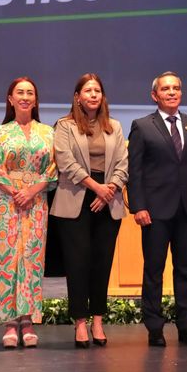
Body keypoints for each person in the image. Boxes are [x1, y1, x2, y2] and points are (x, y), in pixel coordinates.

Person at [127, 71, 187, 347]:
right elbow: (136, 170)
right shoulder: (142, 126)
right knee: (154, 270)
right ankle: (154, 327)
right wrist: (138, 206)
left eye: (176, 88)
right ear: (155, 95)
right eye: (166, 89)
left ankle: (186, 325)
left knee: (185, 270)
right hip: (155, 212)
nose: (172, 92)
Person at [50, 73, 129, 348]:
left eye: (97, 90)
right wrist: (97, 188)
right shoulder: (64, 126)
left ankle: (97, 320)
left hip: (108, 200)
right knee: (78, 264)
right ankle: (80, 322)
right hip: (76, 199)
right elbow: (65, 162)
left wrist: (109, 190)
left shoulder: (114, 127)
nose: (93, 95)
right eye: (88, 90)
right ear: (78, 97)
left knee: (102, 263)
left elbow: (123, 162)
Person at [0, 77, 57, 348]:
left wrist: (32, 191)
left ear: (36, 100)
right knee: (5, 258)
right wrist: (16, 192)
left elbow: (53, 170)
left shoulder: (47, 132)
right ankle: (8, 321)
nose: (25, 97)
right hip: (6, 202)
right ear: (10, 99)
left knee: (32, 258)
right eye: (20, 93)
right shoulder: (1, 132)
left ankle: (27, 319)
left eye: (30, 93)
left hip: (36, 201)